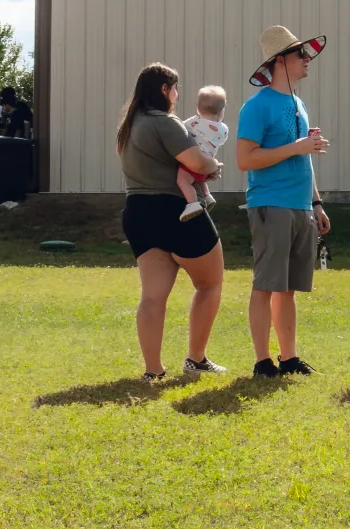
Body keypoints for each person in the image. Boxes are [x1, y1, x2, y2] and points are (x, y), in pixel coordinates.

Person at [114, 60, 228, 381]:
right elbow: (196, 160)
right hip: (176, 210)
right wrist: (212, 165)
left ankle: (153, 370)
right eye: (175, 88)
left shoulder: (129, 126)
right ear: (164, 90)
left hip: (138, 212)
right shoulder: (165, 123)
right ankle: (196, 359)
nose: (177, 94)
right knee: (210, 284)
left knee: (152, 296)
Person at [234, 24, 331, 379]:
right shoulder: (257, 106)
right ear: (280, 61)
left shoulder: (298, 103)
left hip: (300, 206)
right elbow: (245, 159)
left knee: (288, 288)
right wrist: (298, 146)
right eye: (300, 54)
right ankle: (263, 362)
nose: (307, 60)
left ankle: (288, 359)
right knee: (266, 284)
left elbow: (302, 158)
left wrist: (317, 204)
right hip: (270, 203)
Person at [177, 84, 228, 221]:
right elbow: (221, 141)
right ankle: (207, 195)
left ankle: (193, 204)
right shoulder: (223, 129)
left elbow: (180, 128)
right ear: (221, 111)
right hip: (208, 165)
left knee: (183, 181)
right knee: (199, 180)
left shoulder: (194, 123)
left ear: (197, 108)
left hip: (194, 162)